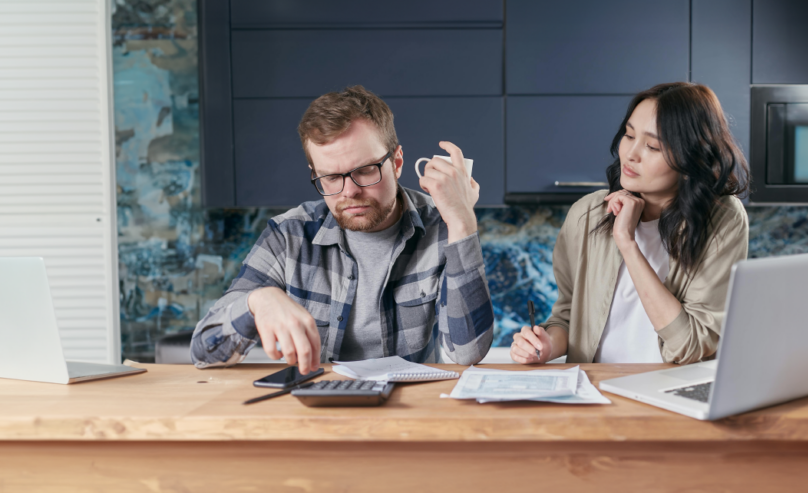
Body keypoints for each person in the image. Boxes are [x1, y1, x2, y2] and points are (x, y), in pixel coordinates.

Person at [191, 85, 494, 372]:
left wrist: (462, 220)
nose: (349, 191)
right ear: (315, 174)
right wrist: (256, 302)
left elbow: (466, 353)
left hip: (409, 414)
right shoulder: (289, 236)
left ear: (397, 162)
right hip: (317, 414)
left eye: (365, 171)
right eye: (331, 178)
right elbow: (203, 352)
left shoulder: (443, 227)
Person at [511, 82, 749, 365]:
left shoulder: (722, 219)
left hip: (672, 397)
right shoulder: (588, 213)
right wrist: (547, 345)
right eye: (628, 135)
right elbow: (568, 316)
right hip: (596, 392)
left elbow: (691, 344)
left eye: (652, 146)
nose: (630, 154)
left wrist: (627, 243)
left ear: (691, 158)